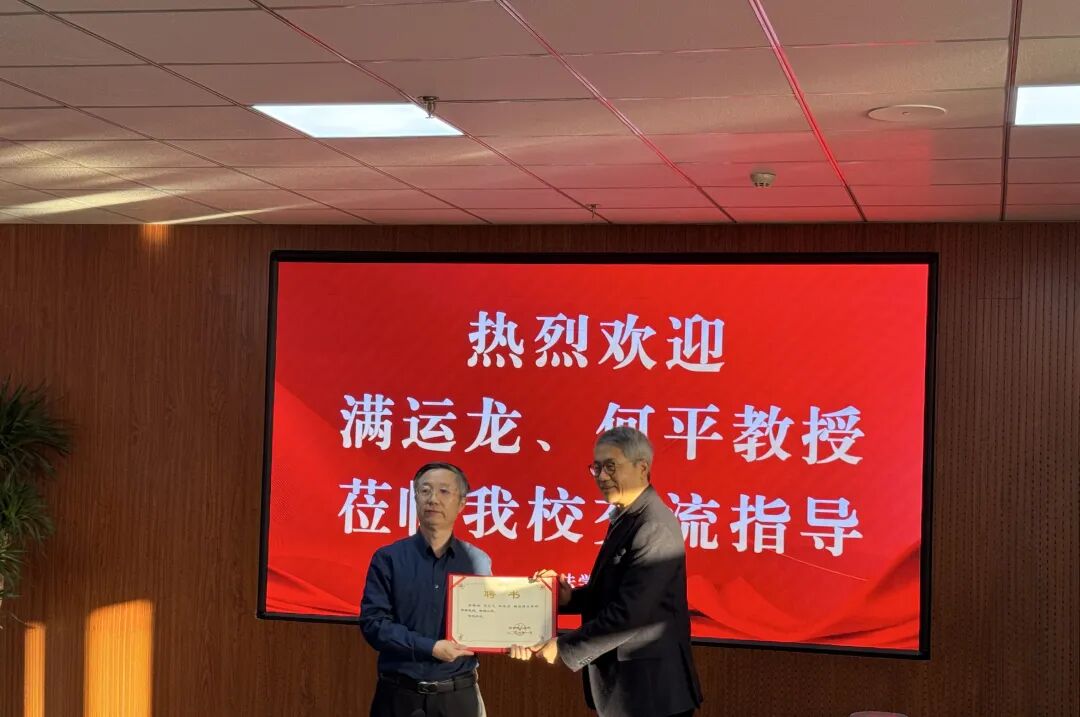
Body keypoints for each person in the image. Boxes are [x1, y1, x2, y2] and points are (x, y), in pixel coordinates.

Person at [512, 426, 703, 717]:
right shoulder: (629, 516)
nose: (601, 476)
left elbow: (631, 614)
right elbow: (615, 592)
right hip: (633, 693)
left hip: (651, 694)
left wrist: (563, 647)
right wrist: (569, 599)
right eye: (597, 468)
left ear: (642, 468)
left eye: (611, 466)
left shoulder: (653, 526)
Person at [360, 462, 491, 717]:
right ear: (415, 498)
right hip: (399, 695)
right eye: (425, 490)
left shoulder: (477, 561)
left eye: (444, 491)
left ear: (462, 504)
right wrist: (430, 647)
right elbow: (374, 624)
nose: (433, 499)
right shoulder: (388, 558)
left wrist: (517, 639)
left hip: (459, 697)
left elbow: (489, 622)